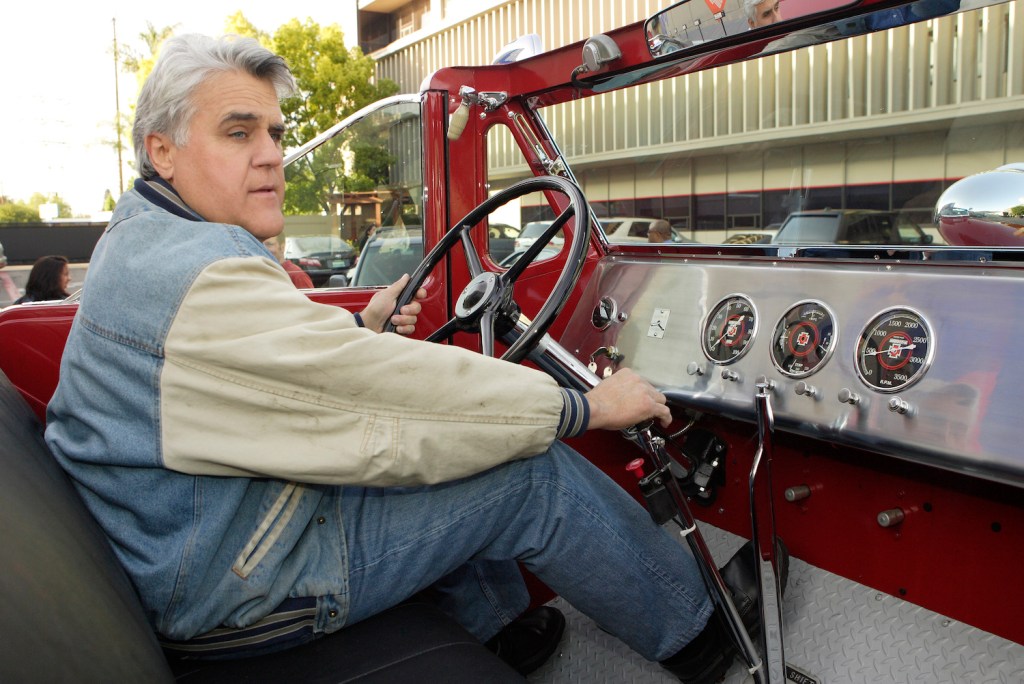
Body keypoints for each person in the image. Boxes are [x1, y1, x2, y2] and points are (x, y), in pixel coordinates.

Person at [45, 34, 767, 683]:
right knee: (526, 473)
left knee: (452, 443)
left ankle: (499, 633)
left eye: (273, 132)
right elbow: (390, 401)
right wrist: (587, 406)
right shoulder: (197, 273)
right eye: (238, 133)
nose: (270, 154)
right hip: (233, 587)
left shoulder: (145, 239)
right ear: (160, 148)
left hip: (197, 543)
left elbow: (256, 369)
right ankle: (701, 636)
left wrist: (364, 323)